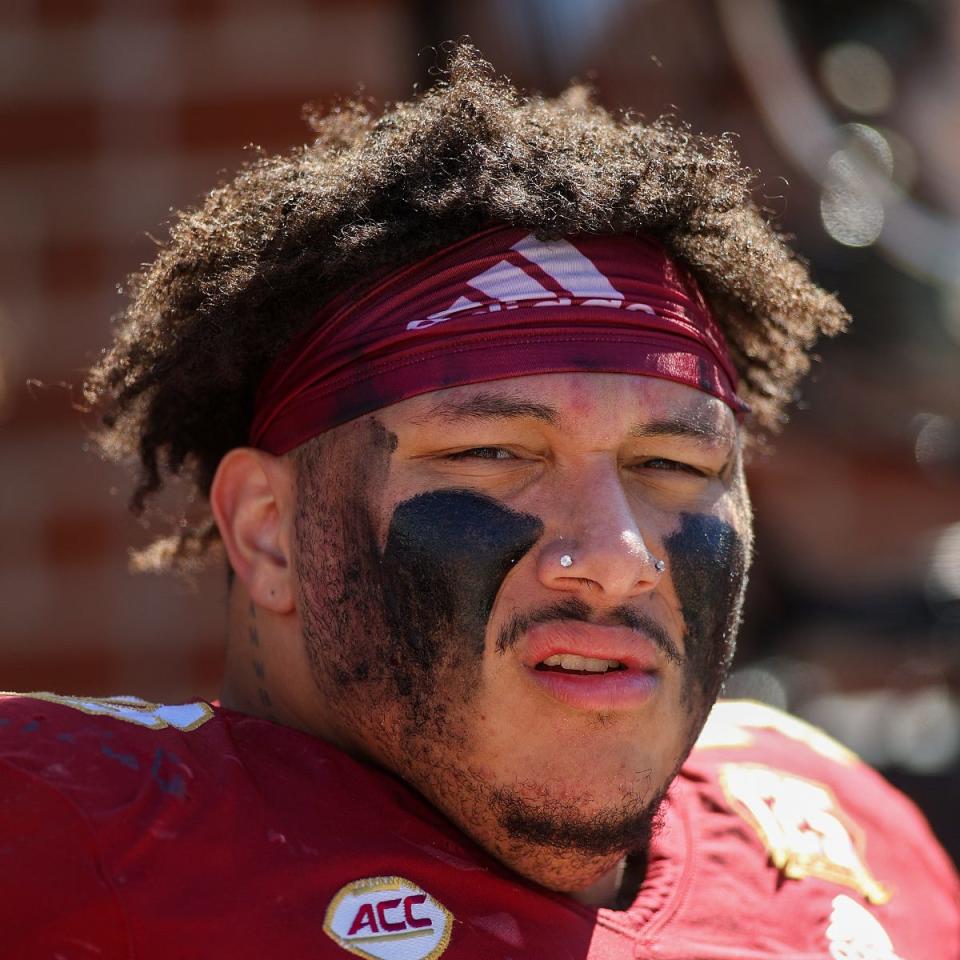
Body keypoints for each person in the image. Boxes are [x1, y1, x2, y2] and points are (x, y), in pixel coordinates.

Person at [2, 46, 957, 960]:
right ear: (269, 531)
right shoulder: (61, 837)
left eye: (671, 463)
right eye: (492, 452)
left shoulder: (846, 844)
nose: (618, 551)